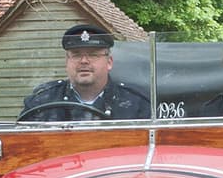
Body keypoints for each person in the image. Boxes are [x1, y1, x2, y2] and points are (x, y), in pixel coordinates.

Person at [21, 24, 150, 122]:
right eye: (76, 55)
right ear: (67, 62)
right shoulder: (41, 103)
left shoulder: (137, 103)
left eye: (93, 55)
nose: (84, 61)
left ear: (109, 62)